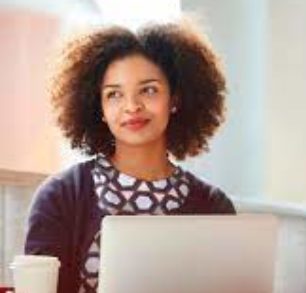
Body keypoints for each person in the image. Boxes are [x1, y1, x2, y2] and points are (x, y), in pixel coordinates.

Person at [24, 17, 235, 293]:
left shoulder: (214, 207)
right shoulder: (61, 196)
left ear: (175, 100)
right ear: (97, 106)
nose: (132, 106)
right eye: (114, 94)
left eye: (148, 90)